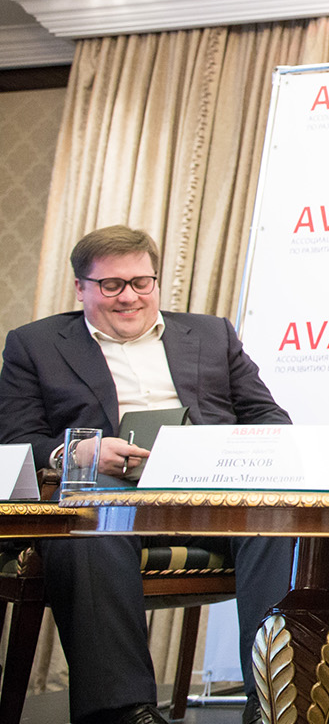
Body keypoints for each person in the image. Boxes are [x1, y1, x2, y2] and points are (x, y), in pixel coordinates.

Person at [0, 225, 293, 724]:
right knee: (90, 520)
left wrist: (232, 453)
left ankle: (270, 703)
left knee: (276, 517)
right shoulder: (36, 344)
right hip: (108, 495)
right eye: (112, 285)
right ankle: (123, 710)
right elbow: (17, 439)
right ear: (81, 288)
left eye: (141, 282)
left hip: (210, 495)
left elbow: (268, 417)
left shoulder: (212, 334)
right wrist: (79, 452)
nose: (130, 296)